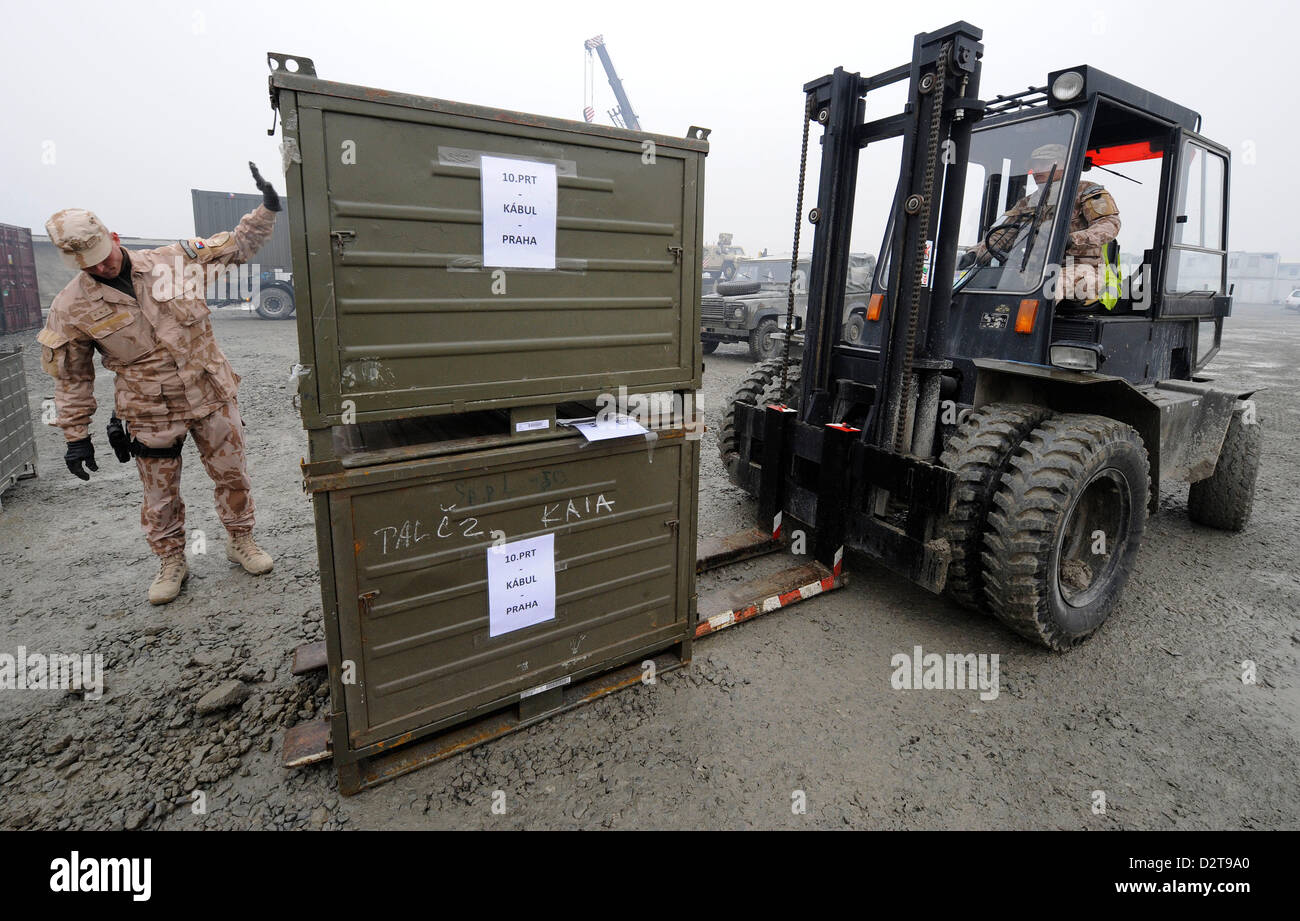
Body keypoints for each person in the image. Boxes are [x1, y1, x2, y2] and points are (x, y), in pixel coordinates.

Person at [38, 163, 281, 605]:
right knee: (159, 494)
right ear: (74, 262)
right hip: (150, 411)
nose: (104, 267)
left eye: (106, 255)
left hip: (211, 395)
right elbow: (73, 379)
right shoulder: (71, 305)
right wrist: (76, 437)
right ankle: (171, 560)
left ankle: (240, 539)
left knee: (233, 475)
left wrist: (266, 208)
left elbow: (238, 246)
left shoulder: (175, 261)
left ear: (113, 237)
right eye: (91, 266)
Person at [962, 143, 1121, 305]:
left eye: (1044, 163)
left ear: (1065, 164)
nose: (1037, 170)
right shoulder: (1027, 202)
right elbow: (1002, 236)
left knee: (1049, 286)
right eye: (1034, 165)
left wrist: (1072, 239)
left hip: (1083, 271)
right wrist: (973, 255)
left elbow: (1109, 224)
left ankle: (1034, 330)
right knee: (986, 288)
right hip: (1034, 272)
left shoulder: (1086, 191)